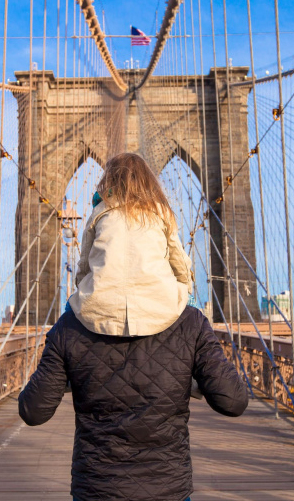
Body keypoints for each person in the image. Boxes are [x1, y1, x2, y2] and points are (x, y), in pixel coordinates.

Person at [18, 153, 249, 501]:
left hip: (96, 491)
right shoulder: (190, 325)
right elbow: (234, 401)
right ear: (165, 240)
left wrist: (70, 375)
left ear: (95, 239)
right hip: (168, 491)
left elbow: (33, 411)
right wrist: (187, 380)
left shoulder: (69, 326)